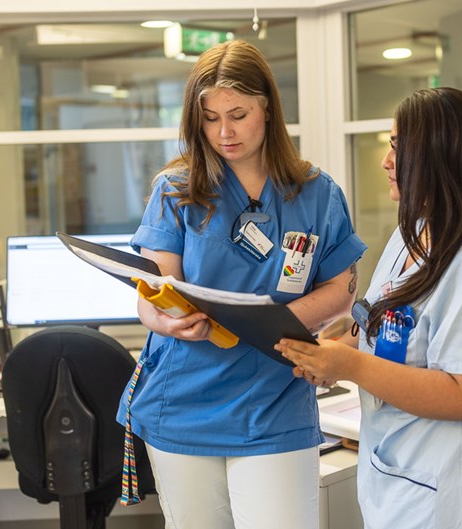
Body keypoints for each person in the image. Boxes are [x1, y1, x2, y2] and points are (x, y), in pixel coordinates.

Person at [116, 40, 366, 529]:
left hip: (274, 402)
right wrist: (170, 320)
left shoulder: (317, 193)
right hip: (184, 401)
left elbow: (341, 290)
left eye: (238, 114)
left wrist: (263, 325)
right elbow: (151, 298)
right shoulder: (176, 190)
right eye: (210, 118)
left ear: (267, 109)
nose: (224, 132)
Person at [275, 87, 462, 529]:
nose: (386, 160)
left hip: (449, 492)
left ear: (439, 156)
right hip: (398, 471)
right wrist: (341, 343)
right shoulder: (414, 231)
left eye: (398, 147)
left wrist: (350, 365)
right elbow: (383, 320)